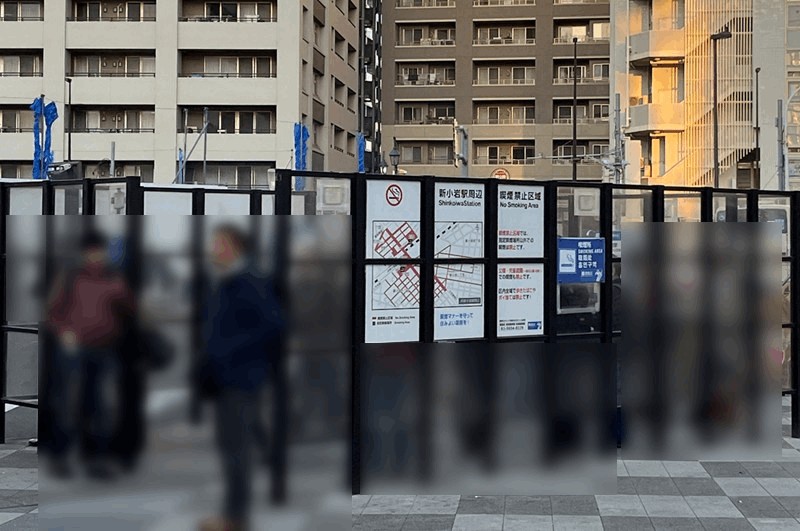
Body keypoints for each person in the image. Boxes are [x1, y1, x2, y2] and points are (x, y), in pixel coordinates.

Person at [195, 224, 284, 531]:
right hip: (226, 376)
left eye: (218, 244)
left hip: (241, 376)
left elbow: (272, 325)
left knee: (237, 449)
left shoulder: (249, 282)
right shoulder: (227, 280)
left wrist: (229, 352)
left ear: (234, 246)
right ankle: (233, 514)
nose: (212, 250)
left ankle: (235, 518)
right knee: (232, 446)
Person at [44, 230, 135, 479]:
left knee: (100, 407)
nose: (97, 256)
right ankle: (61, 458)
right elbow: (53, 311)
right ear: (85, 253)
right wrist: (64, 332)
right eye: (93, 252)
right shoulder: (72, 277)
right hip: (75, 350)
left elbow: (129, 308)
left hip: (104, 349)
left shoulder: (113, 277)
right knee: (70, 405)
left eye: (100, 252)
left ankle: (96, 460)